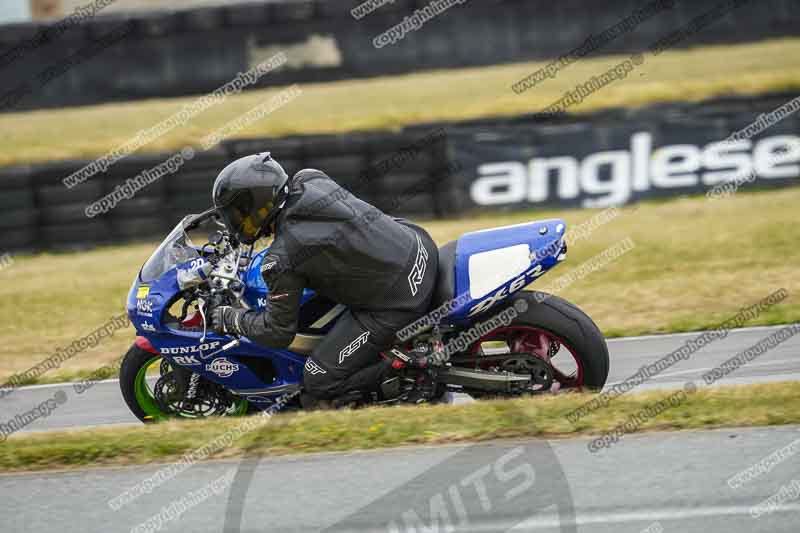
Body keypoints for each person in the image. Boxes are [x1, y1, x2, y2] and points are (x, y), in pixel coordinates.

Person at [207, 152, 438, 407]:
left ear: (258, 203)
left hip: (399, 299)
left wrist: (231, 317)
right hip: (417, 244)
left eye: (239, 213)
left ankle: (417, 370)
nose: (236, 221)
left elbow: (276, 333)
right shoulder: (310, 179)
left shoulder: (281, 257)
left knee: (318, 380)